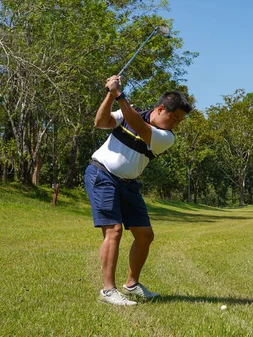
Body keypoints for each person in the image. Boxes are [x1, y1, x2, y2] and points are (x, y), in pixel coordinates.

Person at [84, 75, 191, 305]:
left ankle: (132, 285)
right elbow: (100, 122)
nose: (174, 124)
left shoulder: (166, 138)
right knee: (113, 230)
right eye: (173, 117)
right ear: (160, 108)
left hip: (129, 184)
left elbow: (140, 127)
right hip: (102, 174)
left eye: (179, 121)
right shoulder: (128, 112)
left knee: (145, 235)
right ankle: (108, 291)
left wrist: (120, 95)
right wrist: (111, 95)